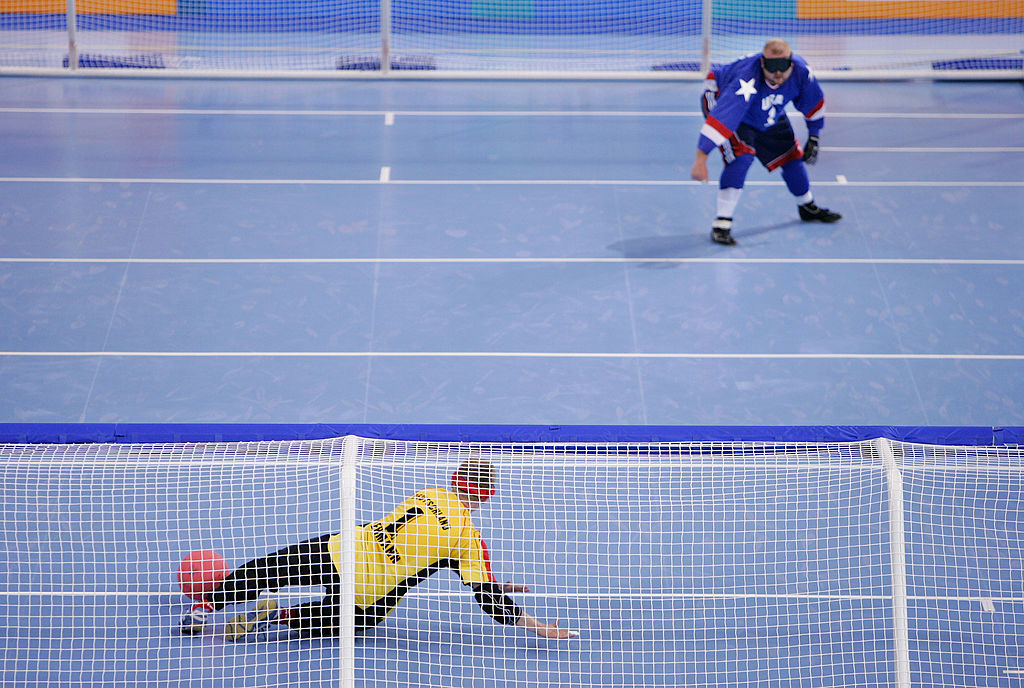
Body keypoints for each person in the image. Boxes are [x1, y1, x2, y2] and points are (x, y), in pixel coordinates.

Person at [178, 458, 578, 641]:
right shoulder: (468, 540)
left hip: (340, 548)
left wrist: (491, 581)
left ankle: (205, 607)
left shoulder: (428, 491)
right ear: (487, 497)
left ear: (454, 479)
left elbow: (421, 538)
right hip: (368, 592)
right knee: (359, 623)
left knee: (270, 569)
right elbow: (487, 599)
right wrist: (541, 628)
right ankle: (279, 616)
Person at [690, 38, 841, 246]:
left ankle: (807, 206)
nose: (778, 74)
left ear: (791, 63)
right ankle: (721, 223)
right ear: (762, 64)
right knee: (742, 156)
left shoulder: (801, 73)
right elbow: (724, 116)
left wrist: (814, 136)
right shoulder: (747, 79)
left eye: (783, 67)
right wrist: (701, 158)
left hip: (766, 107)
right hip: (723, 96)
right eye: (772, 67)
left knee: (791, 154)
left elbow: (813, 102)